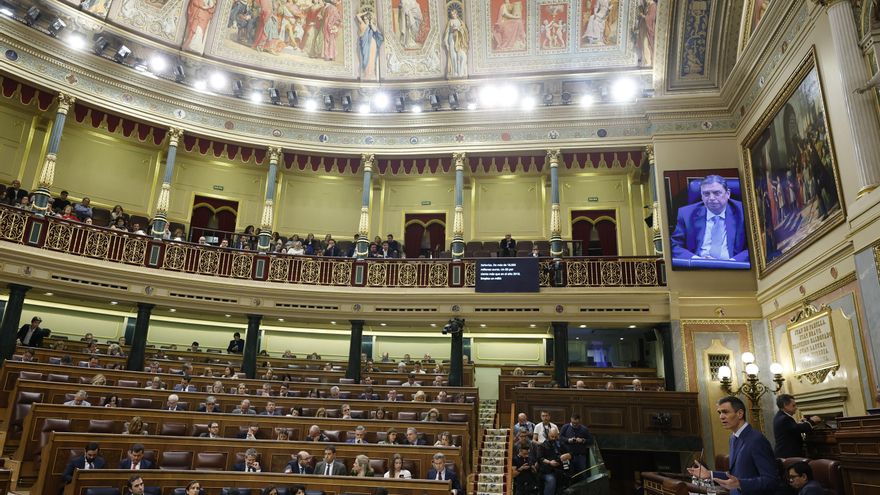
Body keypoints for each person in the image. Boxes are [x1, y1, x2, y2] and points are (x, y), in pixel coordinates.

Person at [687, 395, 778, 495]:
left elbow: (771, 480)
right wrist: (710, 474)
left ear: (739, 414)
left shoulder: (756, 440)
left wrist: (740, 484)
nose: (721, 416)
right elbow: (734, 476)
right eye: (720, 413)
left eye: (725, 412)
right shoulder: (733, 438)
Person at [670, 175, 749, 263]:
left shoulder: (744, 212)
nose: (711, 198)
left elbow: (754, 246)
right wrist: (696, 260)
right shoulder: (686, 214)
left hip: (734, 267)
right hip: (699, 267)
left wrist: (733, 262)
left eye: (717, 193)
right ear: (701, 195)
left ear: (728, 194)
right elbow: (674, 245)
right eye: (706, 194)